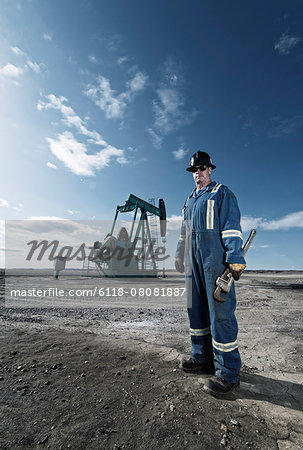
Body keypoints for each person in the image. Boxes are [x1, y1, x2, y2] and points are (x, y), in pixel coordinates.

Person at [175, 151, 246, 397]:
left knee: (220, 313)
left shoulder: (221, 193)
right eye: (195, 170)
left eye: (202, 168)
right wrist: (179, 253)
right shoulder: (189, 200)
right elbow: (184, 232)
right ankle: (202, 358)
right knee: (195, 310)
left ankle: (228, 373)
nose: (198, 173)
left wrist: (235, 257)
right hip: (191, 262)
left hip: (213, 260)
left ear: (210, 170)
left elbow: (231, 227)